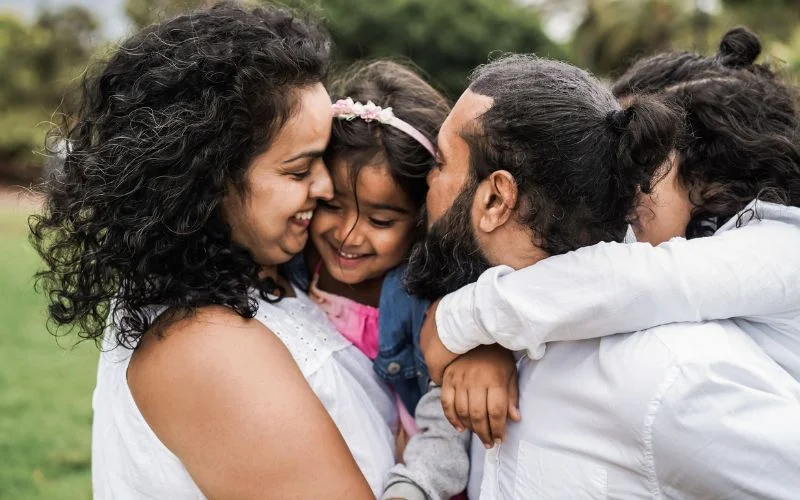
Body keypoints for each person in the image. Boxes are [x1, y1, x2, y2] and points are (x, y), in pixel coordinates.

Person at [31, 3, 394, 498]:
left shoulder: (260, 271)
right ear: (208, 179)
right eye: (298, 170)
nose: (327, 186)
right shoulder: (204, 346)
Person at [406, 53, 800, 499]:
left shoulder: (672, 376)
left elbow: (644, 281)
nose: (630, 190)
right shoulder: (518, 331)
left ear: (497, 198)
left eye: (440, 160)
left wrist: (461, 319)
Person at [284, 60, 475, 500]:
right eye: (332, 206)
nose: (348, 236)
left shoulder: (423, 298)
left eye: (381, 219)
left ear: (423, 219)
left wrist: (412, 489)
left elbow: (445, 420)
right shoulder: (295, 263)